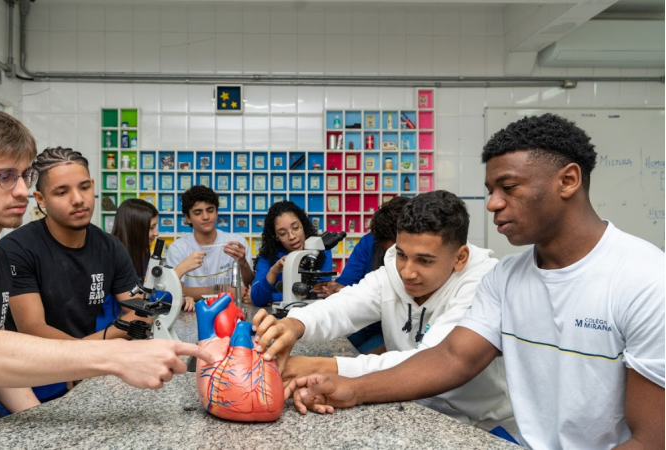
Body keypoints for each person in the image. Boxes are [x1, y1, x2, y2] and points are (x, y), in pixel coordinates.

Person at [285, 114, 665, 450]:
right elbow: (451, 358)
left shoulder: (644, 280)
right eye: (490, 191)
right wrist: (354, 389)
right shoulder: (507, 278)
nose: (492, 204)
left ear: (567, 181)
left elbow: (652, 440)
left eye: (509, 187)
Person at [0, 107, 210, 450]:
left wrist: (40, 433)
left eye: (24, 176)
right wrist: (116, 357)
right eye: (4, 176)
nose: (21, 191)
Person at [253, 191, 514, 437]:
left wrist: (318, 366)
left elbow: (431, 363)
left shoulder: (483, 282)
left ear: (460, 258)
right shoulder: (393, 269)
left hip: (482, 426)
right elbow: (345, 305)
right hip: (410, 409)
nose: (407, 272)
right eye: (402, 254)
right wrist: (294, 324)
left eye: (424, 261)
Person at [0, 147, 160, 403]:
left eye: (84, 187)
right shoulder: (16, 249)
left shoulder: (110, 247)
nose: (78, 199)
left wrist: (85, 357)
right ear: (40, 198)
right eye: (62, 192)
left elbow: (142, 313)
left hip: (86, 378)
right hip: (28, 385)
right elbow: (33, 328)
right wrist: (89, 356)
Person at [313, 196, 410, 354]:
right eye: (388, 253)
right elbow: (349, 286)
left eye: (398, 253)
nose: (395, 261)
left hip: (396, 330)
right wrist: (340, 290)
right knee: (328, 352)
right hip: (368, 324)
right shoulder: (370, 243)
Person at [111, 198, 201, 311]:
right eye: (151, 228)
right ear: (134, 229)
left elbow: (153, 295)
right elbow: (141, 307)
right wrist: (180, 270)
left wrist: (181, 299)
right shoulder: (114, 259)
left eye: (156, 226)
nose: (156, 233)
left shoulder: (142, 258)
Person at [165, 186, 253, 299]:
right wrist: (223, 290)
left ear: (217, 212)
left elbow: (248, 289)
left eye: (210, 210)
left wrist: (243, 263)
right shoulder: (178, 248)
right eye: (198, 213)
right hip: (191, 312)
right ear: (188, 218)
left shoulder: (236, 242)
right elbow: (173, 291)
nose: (206, 217)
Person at [250, 201, 334, 307]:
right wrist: (274, 271)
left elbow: (321, 293)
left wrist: (273, 297)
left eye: (295, 228)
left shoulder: (322, 250)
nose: (292, 236)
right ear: (276, 236)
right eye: (283, 233)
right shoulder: (268, 256)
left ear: (303, 225)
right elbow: (257, 298)